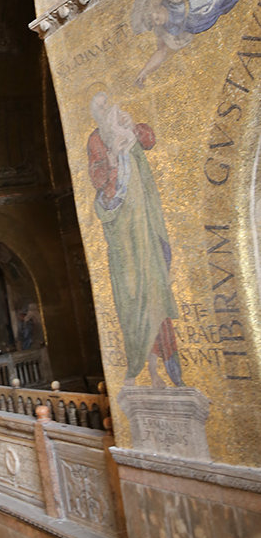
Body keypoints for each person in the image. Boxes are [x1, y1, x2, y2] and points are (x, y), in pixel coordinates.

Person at [88, 92, 183, 387]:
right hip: (124, 232)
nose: (108, 110)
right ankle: (142, 368)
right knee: (134, 296)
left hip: (147, 225)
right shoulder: (96, 140)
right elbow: (99, 181)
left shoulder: (127, 126)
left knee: (156, 290)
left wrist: (132, 128)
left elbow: (149, 139)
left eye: (109, 104)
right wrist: (114, 158)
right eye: (101, 107)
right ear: (95, 113)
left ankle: (167, 368)